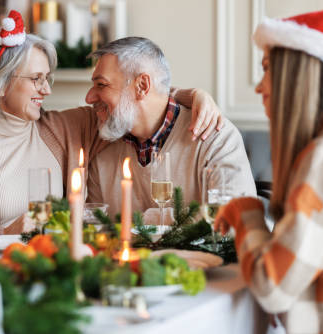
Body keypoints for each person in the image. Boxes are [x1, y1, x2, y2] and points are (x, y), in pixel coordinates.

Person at [0, 11, 224, 238]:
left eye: (47, 78)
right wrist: (4, 233)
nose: (46, 90)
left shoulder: (64, 129)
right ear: (0, 84)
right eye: (36, 78)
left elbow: (138, 100)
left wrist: (193, 95)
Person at [215, 7, 323, 333]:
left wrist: (246, 212)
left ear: (297, 76)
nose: (259, 87)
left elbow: (272, 287)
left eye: (267, 69)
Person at [85, 37, 256, 217]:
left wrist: (144, 224)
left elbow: (233, 221)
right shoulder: (102, 145)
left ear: (142, 86)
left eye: (102, 85)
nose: (89, 98)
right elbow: (99, 233)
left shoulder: (216, 138)